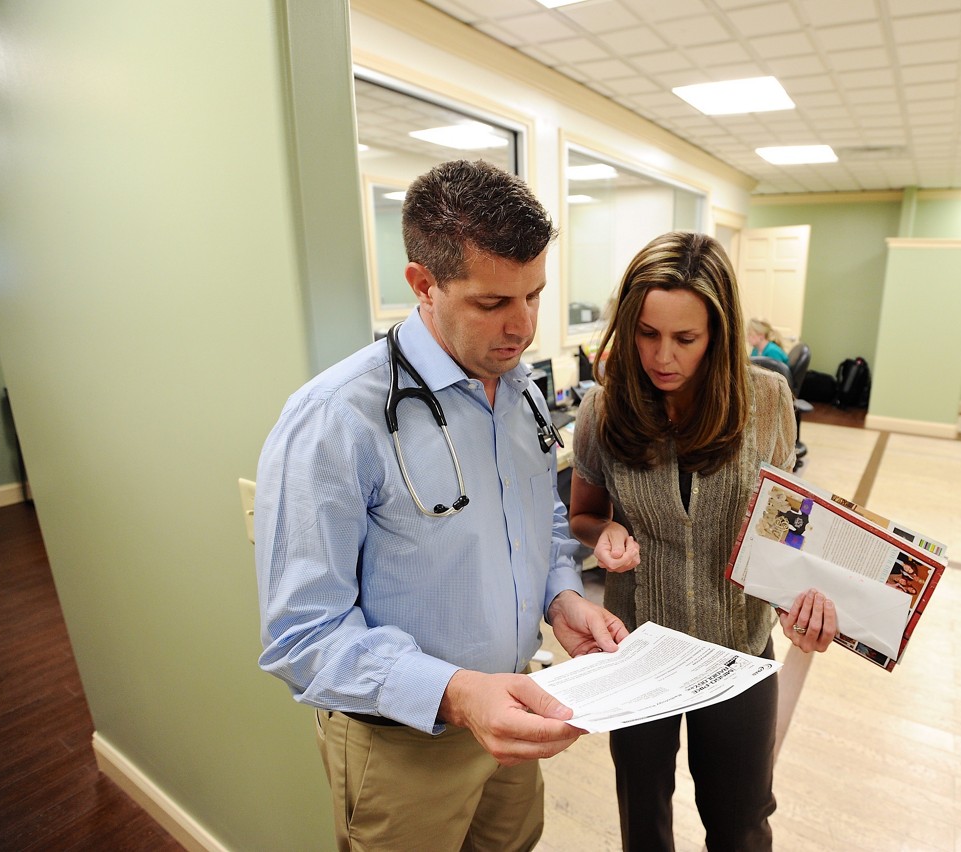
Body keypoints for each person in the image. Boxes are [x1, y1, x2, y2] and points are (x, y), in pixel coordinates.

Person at [254, 159, 627, 852]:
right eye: (492, 303)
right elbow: (301, 634)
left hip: (512, 708)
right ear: (423, 286)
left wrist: (563, 598)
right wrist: (455, 693)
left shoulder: (519, 391)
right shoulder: (334, 421)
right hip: (403, 747)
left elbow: (538, 522)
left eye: (535, 296)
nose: (522, 328)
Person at [568, 231, 840, 851]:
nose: (662, 356)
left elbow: (786, 527)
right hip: (637, 647)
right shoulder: (604, 410)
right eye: (646, 333)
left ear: (718, 333)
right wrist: (605, 530)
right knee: (643, 818)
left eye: (685, 339)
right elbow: (583, 515)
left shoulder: (767, 400)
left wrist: (803, 600)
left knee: (741, 821)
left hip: (739, 649)